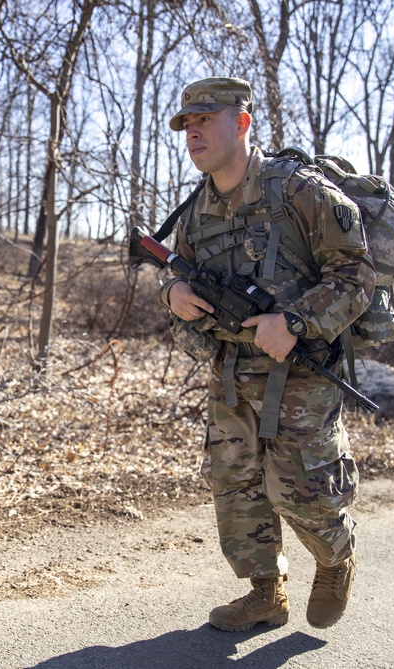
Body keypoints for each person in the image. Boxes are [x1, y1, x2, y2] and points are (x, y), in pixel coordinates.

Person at [158, 77, 374, 632]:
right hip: (229, 372)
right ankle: (265, 594)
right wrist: (173, 294)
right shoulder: (196, 209)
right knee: (236, 488)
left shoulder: (298, 192)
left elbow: (356, 276)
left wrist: (295, 321)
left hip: (299, 371)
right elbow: (176, 274)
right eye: (187, 124)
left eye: (206, 120)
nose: (194, 133)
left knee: (302, 491)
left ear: (243, 122)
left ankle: (336, 557)